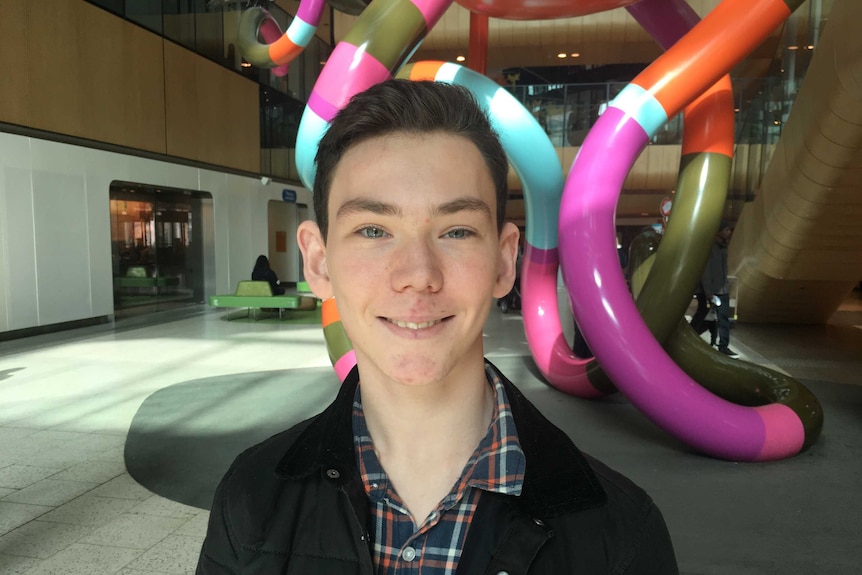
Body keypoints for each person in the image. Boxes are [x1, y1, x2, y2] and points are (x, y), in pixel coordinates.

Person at [196, 80, 678, 574]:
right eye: (373, 231)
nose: (418, 275)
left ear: (504, 261)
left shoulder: (621, 536)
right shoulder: (250, 501)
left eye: (456, 231)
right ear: (319, 263)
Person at [696, 220, 736, 357]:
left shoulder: (724, 247)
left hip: (723, 289)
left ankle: (723, 346)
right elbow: (706, 270)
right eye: (726, 230)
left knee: (724, 318)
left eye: (729, 230)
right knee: (703, 317)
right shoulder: (710, 247)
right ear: (719, 231)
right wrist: (707, 291)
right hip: (712, 290)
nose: (729, 232)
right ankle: (692, 337)